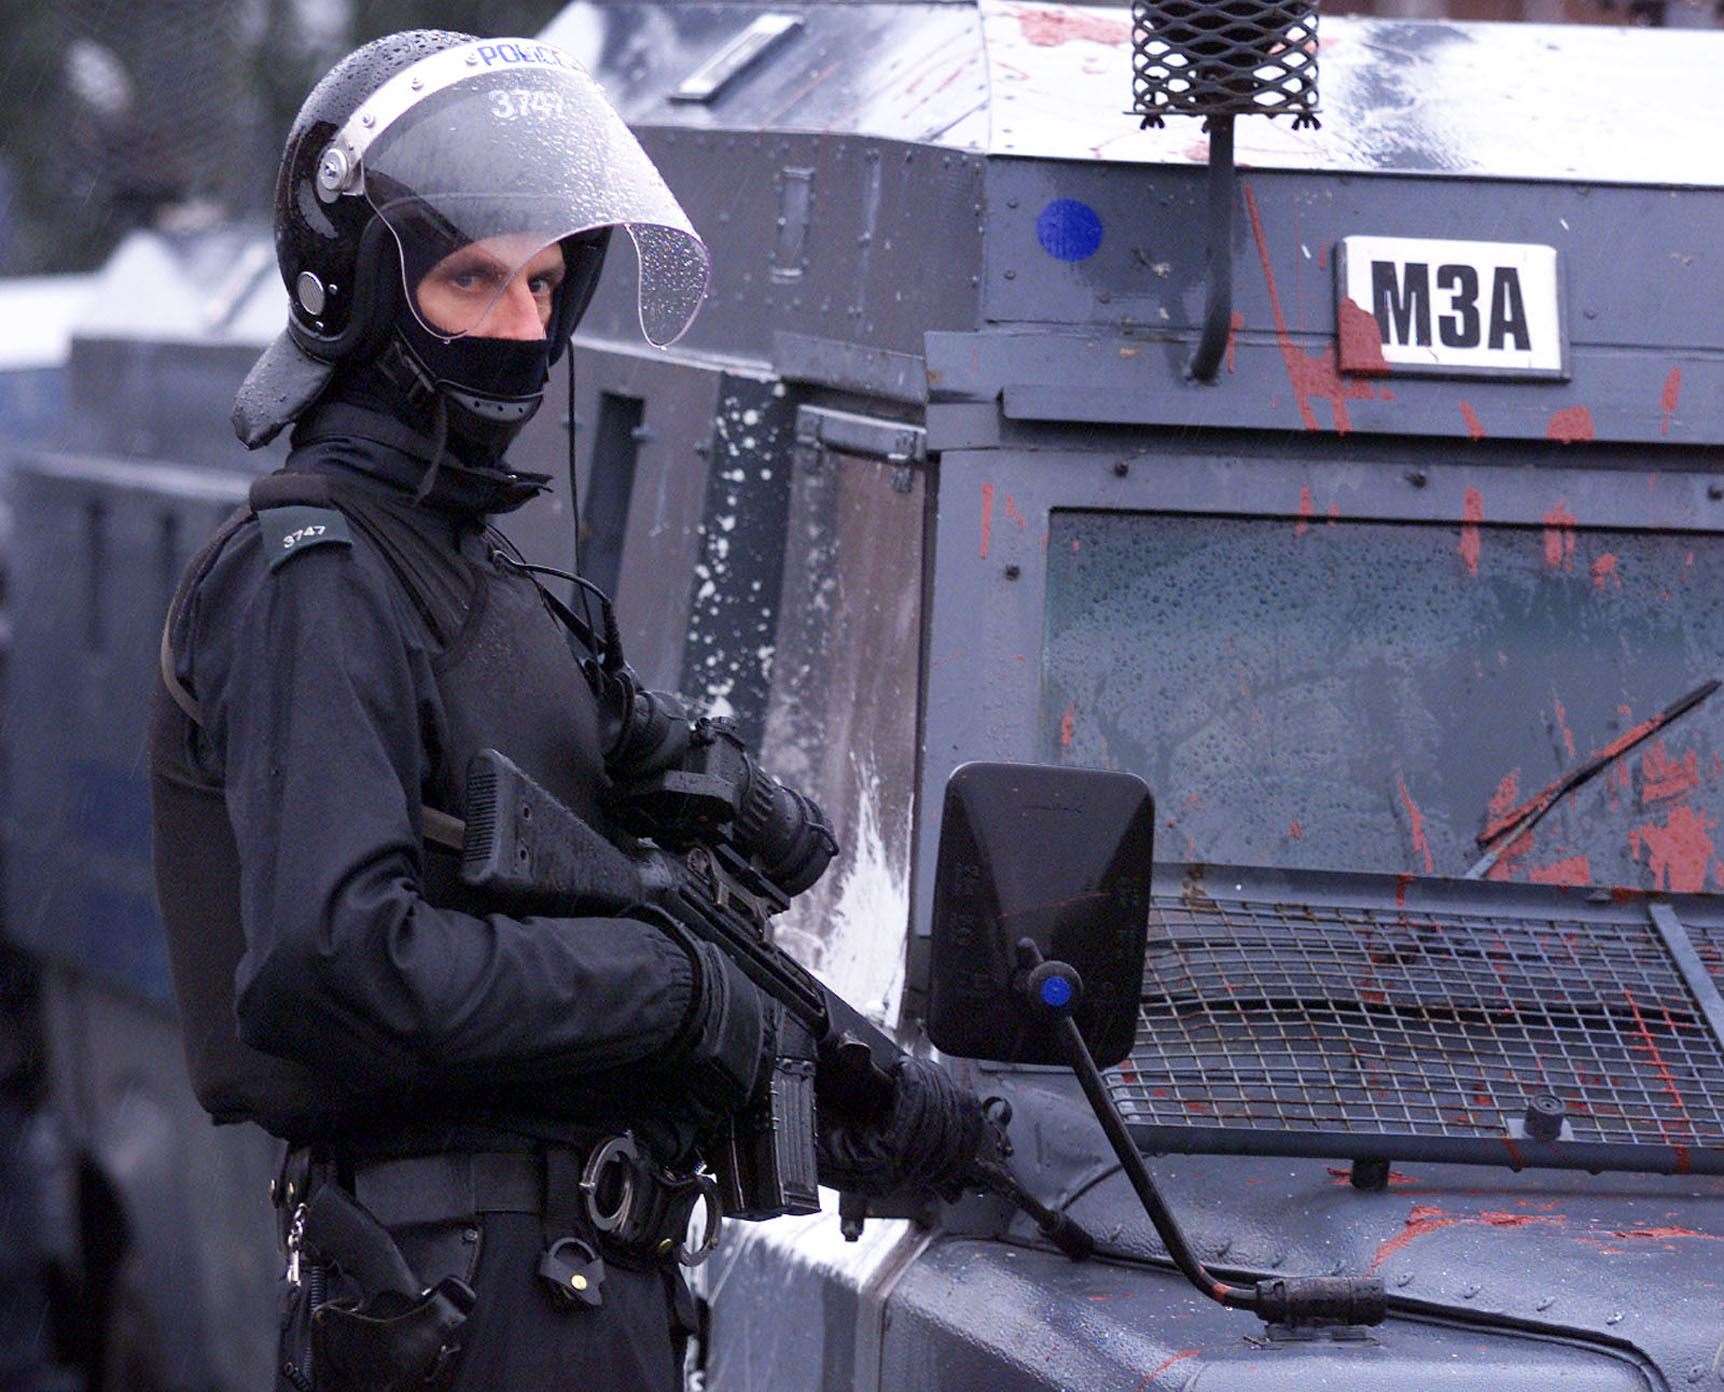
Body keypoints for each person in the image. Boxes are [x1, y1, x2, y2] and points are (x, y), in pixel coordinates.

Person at [147, 30, 983, 1392]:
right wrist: (670, 992)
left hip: (558, 1290)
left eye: (545, 280)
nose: (526, 326)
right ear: (360, 292)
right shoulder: (323, 579)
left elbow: (575, 955)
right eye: (473, 278)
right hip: (465, 1296)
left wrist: (848, 1102)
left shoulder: (482, 578)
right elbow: (334, 961)